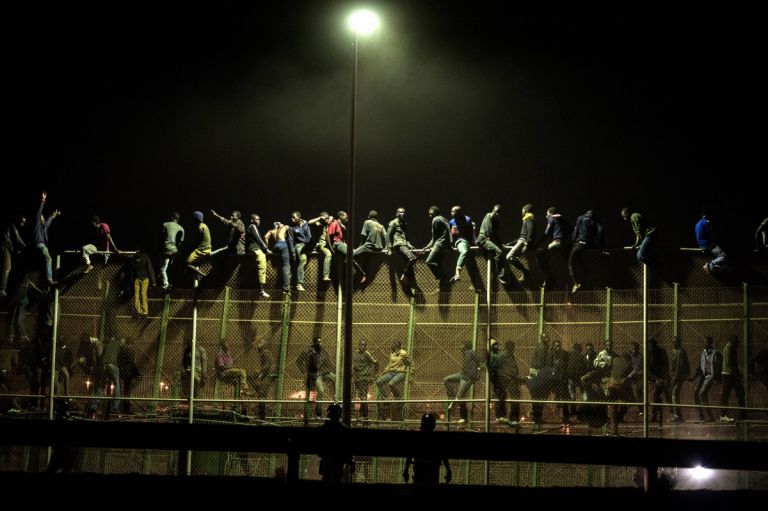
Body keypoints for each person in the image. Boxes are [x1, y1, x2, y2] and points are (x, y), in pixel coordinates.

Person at [403, 413, 452, 485]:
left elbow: (410, 455)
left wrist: (406, 469)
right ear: (433, 424)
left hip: (419, 469)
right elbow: (443, 456)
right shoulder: (437, 440)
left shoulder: (417, 439)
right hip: (433, 470)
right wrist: (448, 470)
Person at [568, 209, 607, 293]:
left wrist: (572, 241)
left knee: (571, 261)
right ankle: (587, 272)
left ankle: (576, 283)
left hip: (580, 243)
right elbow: (601, 230)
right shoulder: (595, 221)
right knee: (578, 258)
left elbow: (576, 230)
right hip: (589, 244)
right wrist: (601, 246)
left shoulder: (581, 218)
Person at [443, 341, 481, 423]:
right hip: (462, 374)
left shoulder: (471, 352)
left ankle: (463, 416)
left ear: (466, 346)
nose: (460, 347)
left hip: (468, 377)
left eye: (462, 346)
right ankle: (453, 398)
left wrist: (477, 372)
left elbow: (479, 362)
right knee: (446, 380)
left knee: (460, 396)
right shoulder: (466, 354)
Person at [318, 403, 355, 483]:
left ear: (329, 414)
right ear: (339, 414)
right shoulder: (344, 430)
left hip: (327, 457)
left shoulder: (324, 428)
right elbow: (348, 446)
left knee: (327, 476)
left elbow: (319, 449)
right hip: (339, 459)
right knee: (336, 476)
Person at [376, 341, 412, 420]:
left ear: (398, 346)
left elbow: (410, 363)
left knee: (391, 384)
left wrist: (410, 375)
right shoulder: (392, 353)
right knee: (379, 381)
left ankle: (399, 397)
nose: (392, 346)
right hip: (391, 372)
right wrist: (383, 373)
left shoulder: (404, 353)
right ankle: (384, 397)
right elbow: (389, 365)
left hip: (401, 372)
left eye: (393, 345)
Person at [488, 338, 521, 425]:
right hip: (504, 380)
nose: (513, 348)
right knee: (502, 397)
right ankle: (502, 416)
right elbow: (494, 368)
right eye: (511, 346)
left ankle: (513, 418)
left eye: (513, 346)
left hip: (511, 379)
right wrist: (500, 377)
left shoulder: (510, 355)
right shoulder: (502, 356)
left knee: (514, 397)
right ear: (508, 347)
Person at [476, 204, 510, 284]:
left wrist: (501, 244)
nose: (497, 214)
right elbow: (489, 232)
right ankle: (501, 276)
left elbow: (496, 234)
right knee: (499, 251)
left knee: (499, 251)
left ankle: (499, 272)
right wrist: (492, 240)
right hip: (483, 239)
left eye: (498, 213)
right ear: (492, 211)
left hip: (488, 240)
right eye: (496, 212)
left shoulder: (496, 221)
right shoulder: (489, 215)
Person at [537, 206, 568, 288]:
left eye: (547, 214)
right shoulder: (563, 220)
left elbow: (546, 233)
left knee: (539, 255)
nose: (546, 216)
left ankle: (550, 278)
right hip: (563, 245)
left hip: (556, 243)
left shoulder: (552, 218)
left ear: (550, 213)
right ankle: (549, 280)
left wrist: (537, 244)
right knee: (546, 259)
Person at [34, 191, 60, 285]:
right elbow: (39, 213)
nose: (42, 218)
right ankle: (49, 279)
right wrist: (43, 201)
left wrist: (54, 214)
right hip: (39, 245)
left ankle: (45, 280)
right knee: (49, 259)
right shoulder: (37, 225)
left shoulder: (44, 227)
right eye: (41, 217)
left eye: (43, 217)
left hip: (42, 246)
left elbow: (49, 221)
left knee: (47, 259)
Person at [506, 203, 537, 282]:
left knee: (509, 256)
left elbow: (531, 231)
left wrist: (527, 244)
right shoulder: (527, 219)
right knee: (512, 257)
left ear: (525, 210)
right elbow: (522, 236)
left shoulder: (529, 218)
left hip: (523, 242)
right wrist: (510, 243)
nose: (521, 212)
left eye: (522, 210)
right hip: (522, 241)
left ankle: (525, 271)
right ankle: (524, 271)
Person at [693, 336, 722, 422]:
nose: (706, 344)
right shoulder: (703, 353)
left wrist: (717, 378)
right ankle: (708, 416)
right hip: (704, 376)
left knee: (701, 394)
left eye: (707, 342)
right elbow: (700, 365)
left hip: (710, 376)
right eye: (705, 342)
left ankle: (707, 416)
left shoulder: (715, 353)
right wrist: (694, 377)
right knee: (701, 395)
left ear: (710, 343)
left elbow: (718, 366)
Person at [388, 207, 417, 286]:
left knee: (409, 264)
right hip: (399, 245)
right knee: (412, 258)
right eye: (400, 212)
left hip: (404, 245)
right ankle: (404, 275)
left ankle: (410, 284)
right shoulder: (393, 223)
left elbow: (406, 237)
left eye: (403, 212)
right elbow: (388, 235)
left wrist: (410, 245)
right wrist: (389, 248)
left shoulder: (404, 223)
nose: (402, 214)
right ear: (397, 214)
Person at [719, 334, 745, 422]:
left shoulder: (729, 347)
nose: (737, 344)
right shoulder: (730, 348)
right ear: (733, 341)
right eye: (736, 342)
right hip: (729, 374)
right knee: (726, 395)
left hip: (730, 374)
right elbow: (730, 362)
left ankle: (741, 414)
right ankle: (724, 415)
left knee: (738, 392)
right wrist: (736, 372)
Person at [245, 213, 271, 298]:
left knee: (261, 266)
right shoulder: (252, 226)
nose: (259, 221)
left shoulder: (251, 227)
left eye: (259, 219)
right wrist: (265, 248)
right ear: (252, 220)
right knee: (262, 265)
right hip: (255, 248)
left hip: (254, 249)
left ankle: (262, 282)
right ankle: (261, 290)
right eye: (257, 219)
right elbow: (258, 238)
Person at [264, 222, 294, 295]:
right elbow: (291, 231)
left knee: (279, 259)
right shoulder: (284, 227)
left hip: (276, 246)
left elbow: (265, 237)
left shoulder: (272, 231)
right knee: (286, 266)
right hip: (283, 244)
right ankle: (286, 288)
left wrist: (267, 248)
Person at [423, 206, 452, 282]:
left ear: (435, 213)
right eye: (429, 214)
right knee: (437, 262)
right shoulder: (441, 218)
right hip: (442, 243)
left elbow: (435, 237)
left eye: (431, 214)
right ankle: (442, 278)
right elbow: (436, 236)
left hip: (439, 244)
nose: (430, 216)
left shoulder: (436, 219)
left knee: (429, 261)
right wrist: (428, 246)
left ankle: (441, 276)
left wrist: (450, 242)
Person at [448, 206, 475, 283]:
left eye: (454, 211)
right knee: (464, 251)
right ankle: (457, 273)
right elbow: (450, 234)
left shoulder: (467, 220)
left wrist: (474, 241)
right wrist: (450, 243)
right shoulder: (451, 222)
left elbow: (471, 232)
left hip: (467, 241)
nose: (452, 213)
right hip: (460, 241)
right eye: (451, 211)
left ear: (459, 212)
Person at [1, 214, 26, 297]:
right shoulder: (12, 225)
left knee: (6, 267)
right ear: (18, 220)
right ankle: (2, 289)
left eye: (24, 223)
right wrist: (25, 245)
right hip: (5, 247)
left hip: (6, 247)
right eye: (22, 222)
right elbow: (18, 238)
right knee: (7, 267)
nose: (23, 224)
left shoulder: (11, 226)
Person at [159, 212, 184, 290]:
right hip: (174, 251)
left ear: (172, 218)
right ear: (178, 220)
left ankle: (165, 285)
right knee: (172, 266)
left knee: (163, 269)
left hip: (166, 249)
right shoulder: (181, 228)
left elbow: (161, 236)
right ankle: (174, 284)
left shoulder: (165, 224)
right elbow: (181, 242)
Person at [353, 340, 378, 419]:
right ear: (359, 345)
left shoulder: (367, 354)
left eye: (364, 345)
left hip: (364, 377)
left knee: (363, 395)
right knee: (360, 395)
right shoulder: (355, 353)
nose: (363, 347)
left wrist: (372, 376)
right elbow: (354, 365)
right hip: (358, 377)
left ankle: (364, 414)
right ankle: (362, 413)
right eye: (361, 345)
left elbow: (375, 363)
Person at [186, 211, 212, 282]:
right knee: (195, 263)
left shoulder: (200, 227)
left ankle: (203, 275)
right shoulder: (205, 225)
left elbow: (196, 243)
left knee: (187, 263)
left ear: (196, 219)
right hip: (208, 248)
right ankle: (197, 279)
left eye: (193, 218)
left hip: (202, 250)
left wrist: (188, 249)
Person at [289, 211, 312, 291]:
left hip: (306, 245)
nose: (292, 219)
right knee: (303, 260)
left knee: (305, 261)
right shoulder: (292, 228)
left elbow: (309, 236)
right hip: (298, 245)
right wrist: (293, 252)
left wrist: (309, 245)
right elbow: (291, 240)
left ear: (299, 217)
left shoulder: (306, 224)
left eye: (294, 217)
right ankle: (299, 283)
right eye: (291, 217)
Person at [668, 335, 690, 422]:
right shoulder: (676, 351)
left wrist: (675, 378)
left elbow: (679, 367)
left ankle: (678, 416)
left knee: (674, 395)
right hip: (675, 376)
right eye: (673, 341)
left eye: (675, 342)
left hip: (678, 377)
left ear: (679, 342)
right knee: (674, 395)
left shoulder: (680, 352)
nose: (673, 343)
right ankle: (677, 415)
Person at [308, 212, 333, 282]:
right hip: (321, 244)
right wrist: (320, 218)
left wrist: (330, 218)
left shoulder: (329, 224)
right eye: (325, 218)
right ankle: (326, 275)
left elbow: (332, 218)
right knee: (328, 254)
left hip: (329, 244)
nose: (327, 220)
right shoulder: (319, 224)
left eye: (327, 218)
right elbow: (309, 222)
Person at [131, 249, 156, 319]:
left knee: (143, 294)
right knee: (136, 296)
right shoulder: (133, 260)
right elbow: (132, 271)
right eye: (136, 259)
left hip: (145, 278)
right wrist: (132, 281)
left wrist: (153, 282)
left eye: (138, 259)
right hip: (137, 279)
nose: (137, 260)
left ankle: (145, 312)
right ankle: (138, 311)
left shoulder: (146, 258)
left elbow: (150, 269)